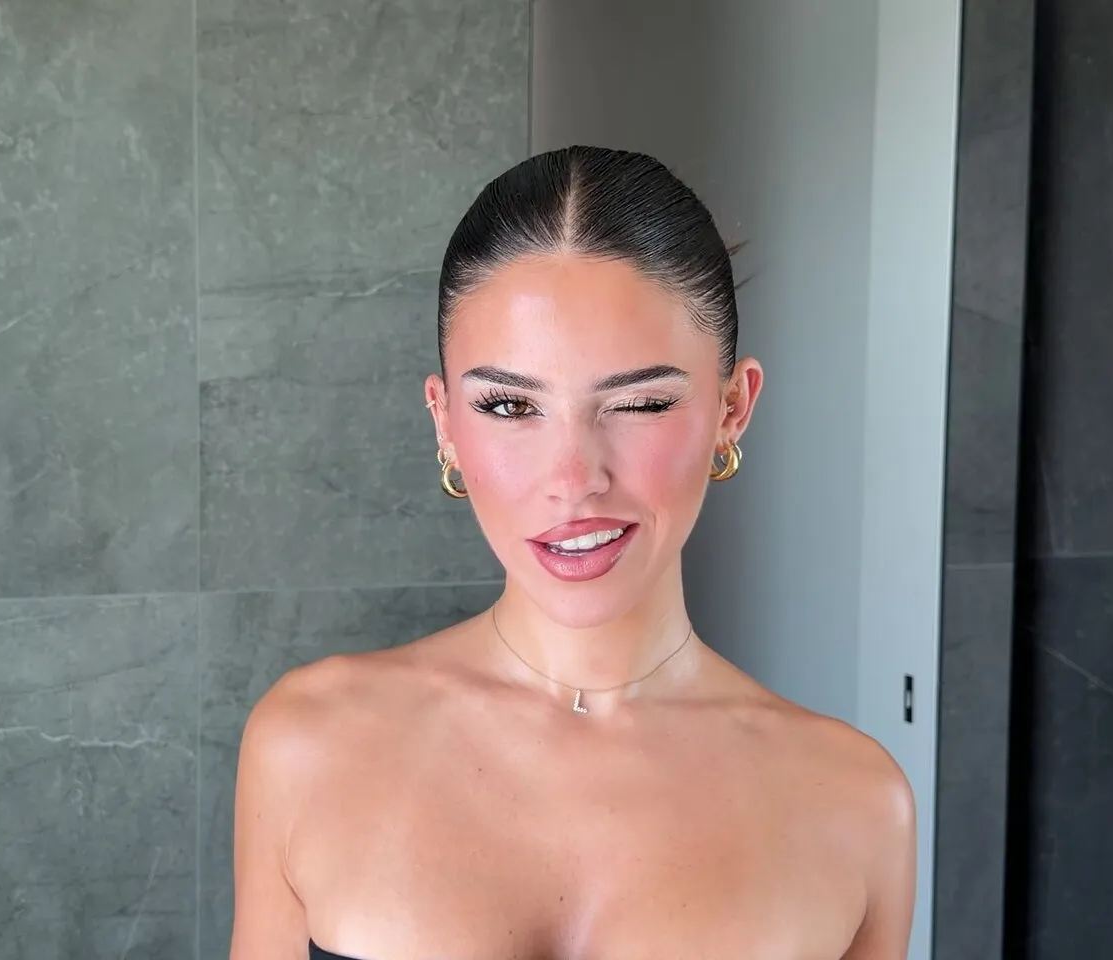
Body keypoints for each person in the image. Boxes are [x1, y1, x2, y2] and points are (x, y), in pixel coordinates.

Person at [229, 145, 916, 960]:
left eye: (641, 403)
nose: (573, 479)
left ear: (732, 408)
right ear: (445, 422)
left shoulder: (856, 804)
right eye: (510, 406)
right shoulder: (308, 744)